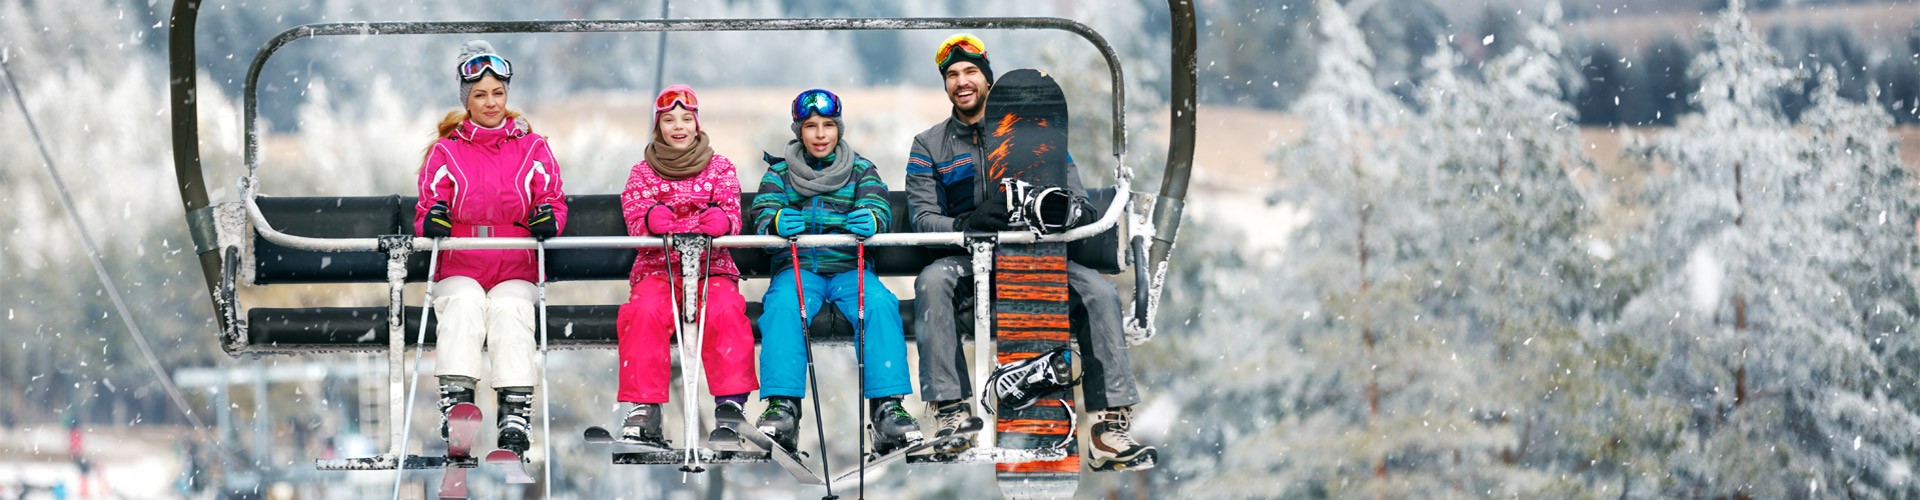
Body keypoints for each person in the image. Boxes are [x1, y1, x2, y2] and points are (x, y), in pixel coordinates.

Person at [905, 34, 1156, 471]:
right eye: (952, 75)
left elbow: (1080, 205)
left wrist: (1057, 213)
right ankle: (950, 415)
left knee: (1097, 292)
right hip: (972, 257)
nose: (962, 82)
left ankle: (1105, 426)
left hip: (1038, 253)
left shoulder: (1037, 135)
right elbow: (923, 218)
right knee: (932, 280)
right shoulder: (930, 145)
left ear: (988, 79)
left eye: (970, 72)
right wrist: (968, 224)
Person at [412, 40, 567, 456]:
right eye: (480, 95)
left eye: (497, 93)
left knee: (510, 308)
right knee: (462, 302)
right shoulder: (448, 150)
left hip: (514, 263)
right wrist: (433, 220)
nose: (491, 103)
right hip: (462, 261)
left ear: (507, 95)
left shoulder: (531, 147)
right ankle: (458, 404)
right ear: (467, 100)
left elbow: (552, 196)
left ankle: (514, 413)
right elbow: (429, 201)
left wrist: (549, 218)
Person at [751, 88, 921, 454]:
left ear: (838, 130)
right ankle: (783, 406)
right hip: (801, 269)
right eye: (811, 126)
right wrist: (776, 221)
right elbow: (763, 214)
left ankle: (888, 406)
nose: (820, 134)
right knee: (782, 307)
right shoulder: (779, 173)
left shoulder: (860, 170)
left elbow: (879, 205)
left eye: (828, 125)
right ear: (799, 131)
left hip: (849, 267)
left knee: (878, 304)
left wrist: (873, 219)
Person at [613, 84, 759, 446]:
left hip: (712, 269)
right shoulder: (643, 172)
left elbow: (731, 209)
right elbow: (633, 213)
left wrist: (723, 222)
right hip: (658, 269)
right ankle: (644, 407)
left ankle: (730, 405)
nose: (678, 126)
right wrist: (649, 218)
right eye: (668, 119)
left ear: (697, 123)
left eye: (685, 118)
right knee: (643, 313)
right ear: (658, 126)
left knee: (726, 312)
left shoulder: (720, 167)